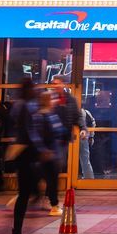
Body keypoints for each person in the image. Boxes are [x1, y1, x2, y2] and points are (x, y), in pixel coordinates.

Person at [7, 80, 61, 234]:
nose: (37, 91)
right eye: (34, 88)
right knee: (25, 194)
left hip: (25, 155)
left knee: (25, 194)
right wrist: (41, 150)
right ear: (28, 89)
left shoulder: (22, 105)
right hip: (26, 156)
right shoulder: (25, 106)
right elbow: (29, 132)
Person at [50, 84, 82, 214]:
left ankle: (51, 201)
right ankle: (52, 202)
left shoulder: (69, 100)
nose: (55, 86)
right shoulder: (49, 105)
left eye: (57, 83)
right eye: (53, 83)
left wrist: (82, 129)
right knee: (51, 172)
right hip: (50, 144)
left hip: (59, 142)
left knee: (54, 171)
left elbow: (76, 116)